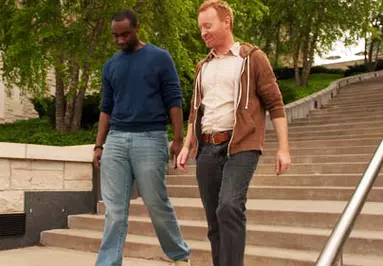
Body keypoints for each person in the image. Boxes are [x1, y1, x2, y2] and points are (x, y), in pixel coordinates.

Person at [176, 1, 291, 266]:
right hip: (206, 147)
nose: (203, 32)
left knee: (229, 206)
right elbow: (196, 110)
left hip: (240, 145)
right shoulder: (202, 66)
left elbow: (275, 104)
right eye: (200, 28)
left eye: (208, 26)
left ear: (226, 22)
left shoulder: (252, 58)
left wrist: (283, 148)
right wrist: (186, 146)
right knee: (214, 221)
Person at [92, 9, 191, 266]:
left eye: (125, 34)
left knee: (157, 204)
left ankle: (179, 256)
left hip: (151, 138)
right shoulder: (111, 65)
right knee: (114, 211)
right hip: (116, 140)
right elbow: (106, 108)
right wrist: (99, 145)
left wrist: (178, 139)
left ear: (137, 27)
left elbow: (174, 102)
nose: (120, 40)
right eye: (116, 36)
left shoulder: (159, 58)